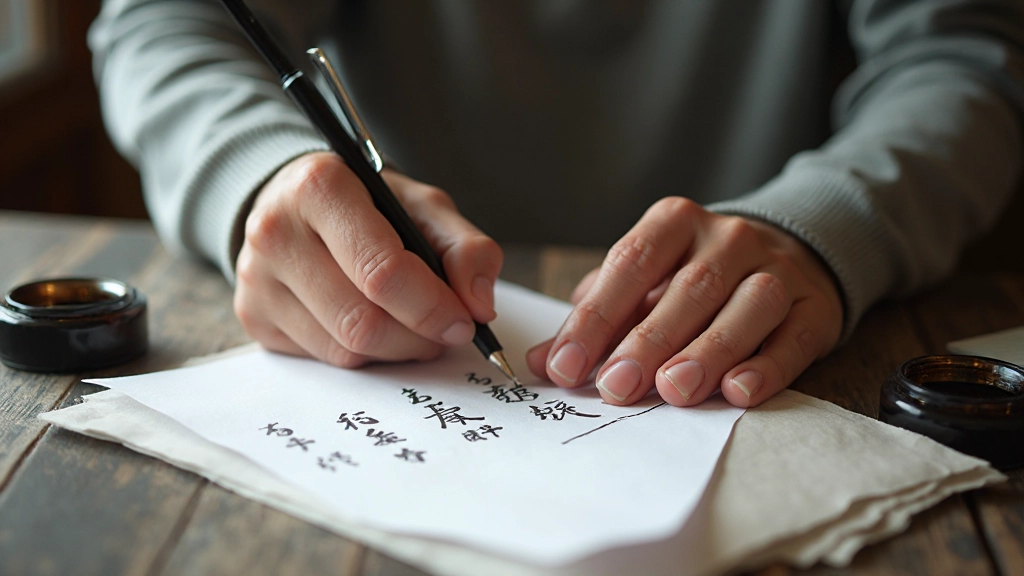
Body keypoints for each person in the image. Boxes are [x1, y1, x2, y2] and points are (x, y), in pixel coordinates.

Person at [90, 0, 1024, 409]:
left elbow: (964, 57)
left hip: (776, 286)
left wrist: (826, 222)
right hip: (396, 286)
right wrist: (264, 173)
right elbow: (164, 21)